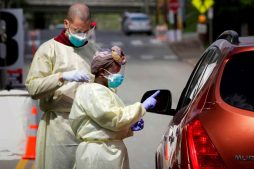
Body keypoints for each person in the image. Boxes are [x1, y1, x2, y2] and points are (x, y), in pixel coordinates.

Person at [25, 3, 97, 169]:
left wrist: (115, 66)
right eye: (78, 30)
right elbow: (33, 88)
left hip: (88, 125)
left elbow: (103, 88)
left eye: (86, 31)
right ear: (67, 24)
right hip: (59, 127)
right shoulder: (48, 50)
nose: (82, 35)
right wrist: (61, 76)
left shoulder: (93, 51)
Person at [69, 46, 159, 169]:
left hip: (107, 152)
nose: (118, 76)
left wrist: (129, 125)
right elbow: (113, 119)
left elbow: (108, 121)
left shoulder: (103, 91)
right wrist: (141, 107)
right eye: (115, 73)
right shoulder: (94, 91)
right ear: (102, 71)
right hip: (100, 155)